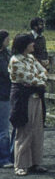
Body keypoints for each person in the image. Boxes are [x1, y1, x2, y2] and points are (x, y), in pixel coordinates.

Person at [8, 33, 47, 176]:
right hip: (24, 98)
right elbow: (28, 78)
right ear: (24, 45)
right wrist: (39, 80)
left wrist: (39, 79)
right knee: (24, 130)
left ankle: (35, 163)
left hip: (36, 97)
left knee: (37, 130)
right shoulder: (15, 60)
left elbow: (43, 72)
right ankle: (20, 165)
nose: (33, 45)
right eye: (31, 43)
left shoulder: (31, 58)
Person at [0, 30, 13, 168]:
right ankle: (4, 158)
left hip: (5, 93)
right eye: (7, 39)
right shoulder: (2, 57)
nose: (9, 41)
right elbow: (7, 72)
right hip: (2, 94)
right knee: (3, 128)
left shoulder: (6, 54)